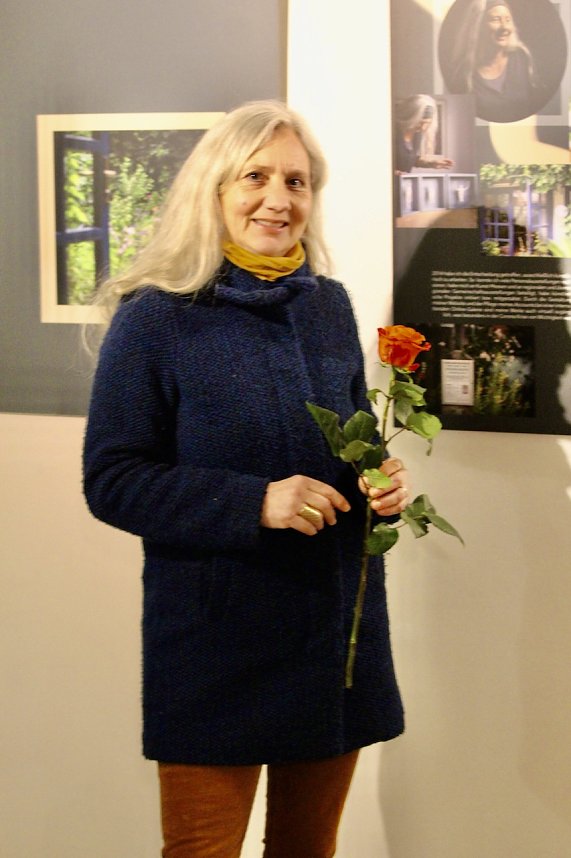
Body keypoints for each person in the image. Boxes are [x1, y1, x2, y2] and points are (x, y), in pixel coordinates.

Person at [83, 100, 410, 858]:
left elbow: (353, 434)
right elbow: (113, 479)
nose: (277, 198)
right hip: (214, 647)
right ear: (214, 188)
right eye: (255, 176)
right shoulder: (155, 317)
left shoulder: (327, 307)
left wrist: (378, 477)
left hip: (334, 638)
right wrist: (254, 501)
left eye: (295, 181)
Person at [442, 0, 537, 122]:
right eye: (495, 19)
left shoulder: (521, 58)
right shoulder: (462, 73)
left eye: (508, 20)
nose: (504, 27)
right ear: (477, 25)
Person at [394, 94, 454, 173]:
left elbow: (409, 160)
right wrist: (393, 173)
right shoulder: (392, 132)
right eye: (420, 122)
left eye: (427, 123)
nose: (423, 127)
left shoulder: (417, 134)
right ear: (410, 117)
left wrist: (431, 163)